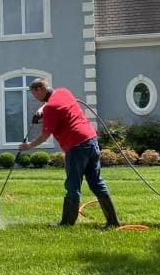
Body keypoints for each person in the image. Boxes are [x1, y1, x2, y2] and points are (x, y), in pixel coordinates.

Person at [19, 78, 120, 229]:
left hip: (76, 146)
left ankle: (66, 224)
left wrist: (29, 146)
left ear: (40, 89)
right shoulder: (63, 92)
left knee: (73, 186)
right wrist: (41, 110)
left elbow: (45, 135)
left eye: (34, 94)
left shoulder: (51, 108)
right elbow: (53, 103)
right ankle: (113, 222)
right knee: (97, 183)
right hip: (91, 140)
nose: (35, 98)